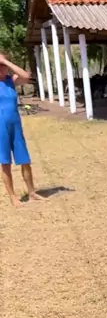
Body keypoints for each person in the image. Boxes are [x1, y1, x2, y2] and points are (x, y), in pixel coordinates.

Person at [0, 53, 43, 206]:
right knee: (5, 163)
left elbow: (26, 76)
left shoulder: (10, 80)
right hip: (1, 128)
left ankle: (32, 193)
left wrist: (6, 61)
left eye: (2, 65)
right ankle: (13, 197)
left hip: (15, 125)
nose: (1, 68)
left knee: (25, 159)